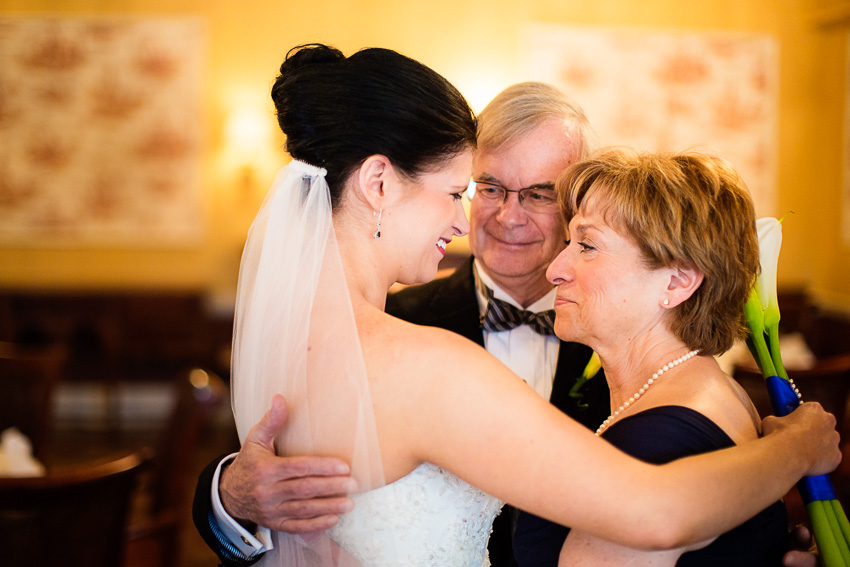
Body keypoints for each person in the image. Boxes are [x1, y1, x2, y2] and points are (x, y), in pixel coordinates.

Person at [192, 48, 835, 567]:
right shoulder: (420, 352)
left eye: (540, 195)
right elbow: (657, 511)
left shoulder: (282, 334)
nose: (479, 218)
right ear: (379, 182)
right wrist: (231, 496)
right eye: (470, 190)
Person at [512, 149, 797, 566]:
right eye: (569, 242)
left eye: (587, 245)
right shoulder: (705, 389)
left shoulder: (659, 442)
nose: (555, 268)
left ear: (678, 281)